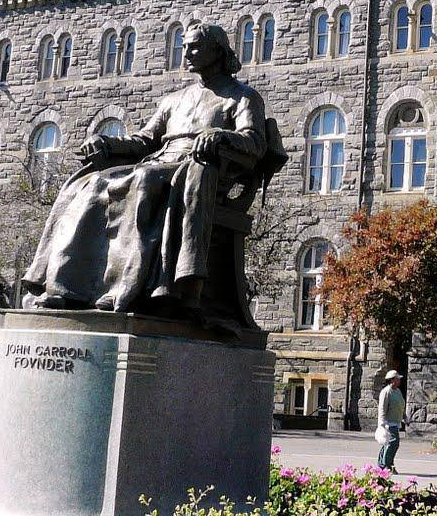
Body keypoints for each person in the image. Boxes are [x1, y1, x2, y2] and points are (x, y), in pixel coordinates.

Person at [21, 23, 272, 321]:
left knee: (142, 180)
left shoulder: (242, 97)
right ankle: (65, 287)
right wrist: (107, 142)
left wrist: (221, 136)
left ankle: (124, 289)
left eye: (194, 47)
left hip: (195, 169)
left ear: (216, 51)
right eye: (184, 46)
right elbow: (144, 140)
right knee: (91, 183)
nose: (186, 53)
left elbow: (255, 141)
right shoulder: (174, 100)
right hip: (158, 162)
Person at [376, 370, 406, 473]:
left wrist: (405, 417)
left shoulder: (397, 391)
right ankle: (387, 465)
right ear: (392, 380)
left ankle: (381, 465)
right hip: (388, 423)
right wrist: (382, 423)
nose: (399, 381)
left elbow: (401, 405)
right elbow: (382, 408)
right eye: (397, 379)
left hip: (396, 421)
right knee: (393, 443)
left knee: (388, 443)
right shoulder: (386, 392)